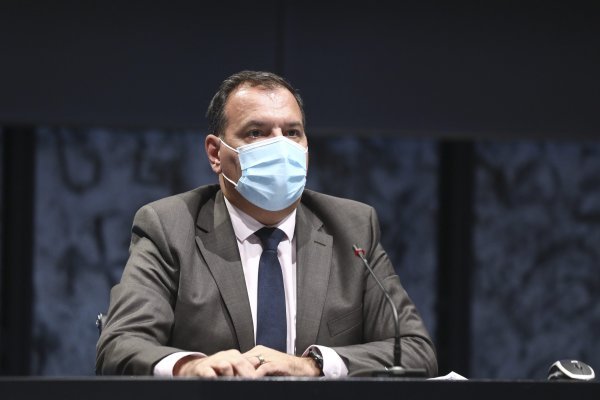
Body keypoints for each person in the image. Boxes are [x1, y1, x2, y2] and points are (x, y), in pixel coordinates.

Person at [96, 70, 437, 378]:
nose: (280, 146)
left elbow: (415, 351)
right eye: (256, 133)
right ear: (216, 153)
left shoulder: (352, 228)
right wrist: (190, 366)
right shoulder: (169, 227)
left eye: (292, 132)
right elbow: (120, 344)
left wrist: (314, 364)